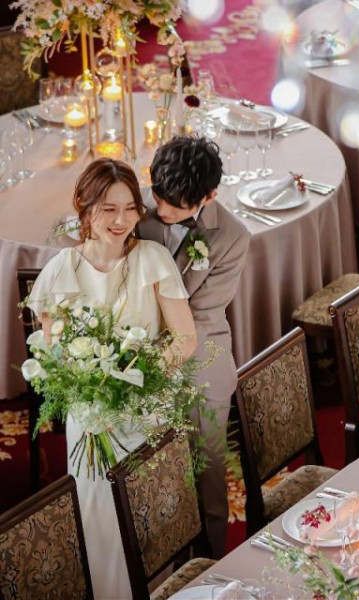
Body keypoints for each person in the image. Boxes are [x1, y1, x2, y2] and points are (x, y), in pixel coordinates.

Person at [27, 158, 197, 600]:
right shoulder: (62, 270)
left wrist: (137, 380)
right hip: (93, 418)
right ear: (85, 209)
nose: (121, 220)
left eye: (129, 208)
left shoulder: (152, 259)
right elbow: (54, 357)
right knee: (99, 519)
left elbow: (185, 339)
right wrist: (94, 387)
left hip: (148, 409)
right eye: (108, 209)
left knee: (153, 516)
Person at [138, 135, 250, 559]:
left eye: (175, 205)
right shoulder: (137, 209)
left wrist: (160, 360)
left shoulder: (233, 237)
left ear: (209, 197)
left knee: (207, 470)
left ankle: (210, 561)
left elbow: (200, 314)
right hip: (136, 346)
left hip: (200, 354)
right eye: (158, 196)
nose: (162, 210)